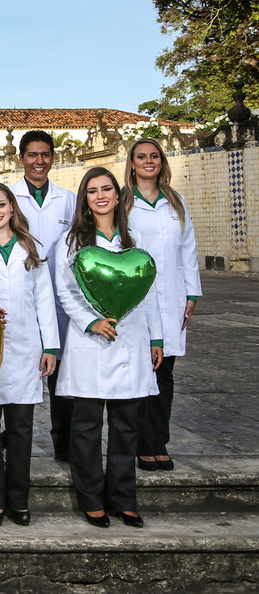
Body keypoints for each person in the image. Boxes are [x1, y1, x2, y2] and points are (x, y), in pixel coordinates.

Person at [55, 166, 163, 529]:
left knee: (126, 426)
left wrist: (156, 338)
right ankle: (91, 499)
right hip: (90, 343)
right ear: (84, 200)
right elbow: (66, 293)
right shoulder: (71, 242)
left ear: (118, 196)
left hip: (131, 341)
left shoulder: (135, 241)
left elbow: (148, 293)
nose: (100, 196)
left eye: (106, 189)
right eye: (92, 191)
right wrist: (92, 322)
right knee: (86, 426)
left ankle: (123, 499)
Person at [0, 182, 60, 527]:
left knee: (21, 429)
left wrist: (50, 346)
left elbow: (44, 300)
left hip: (25, 347)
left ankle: (18, 500)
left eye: (1, 205)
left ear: (12, 207)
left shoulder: (30, 247)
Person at [122, 139, 201, 472]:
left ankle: (160, 443)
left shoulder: (175, 202)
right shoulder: (123, 203)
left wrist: (192, 294)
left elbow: (188, 251)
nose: (148, 161)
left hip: (171, 296)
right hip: (137, 300)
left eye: (154, 156)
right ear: (132, 163)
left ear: (161, 162)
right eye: (141, 157)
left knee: (164, 372)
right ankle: (143, 444)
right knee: (141, 372)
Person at [11, 130, 77, 462]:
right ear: (21, 158)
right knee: (14, 373)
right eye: (32, 155)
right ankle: (10, 439)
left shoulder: (69, 200)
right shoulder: (8, 197)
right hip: (20, 297)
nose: (39, 161)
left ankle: (63, 444)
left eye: (45, 155)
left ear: (53, 157)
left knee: (62, 375)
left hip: (61, 300)